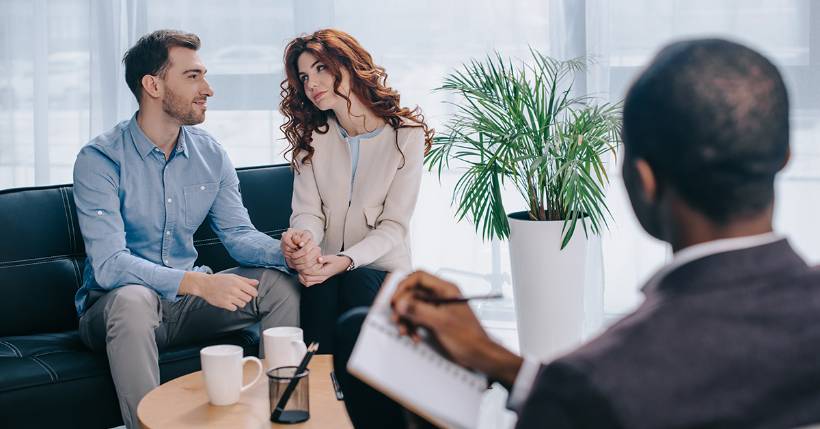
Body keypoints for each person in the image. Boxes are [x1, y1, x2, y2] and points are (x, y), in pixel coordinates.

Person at [335, 38, 820, 428]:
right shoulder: (597, 381)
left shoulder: (598, 380)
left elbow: (595, 397)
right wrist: (500, 362)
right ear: (782, 159)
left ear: (644, 180)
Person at [72, 30, 300, 429]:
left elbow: (238, 235)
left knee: (277, 283)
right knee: (132, 301)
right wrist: (196, 283)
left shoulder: (210, 153)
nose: (208, 89)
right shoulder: (100, 159)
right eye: (193, 76)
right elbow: (109, 265)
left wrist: (287, 254)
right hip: (114, 311)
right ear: (153, 85)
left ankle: (282, 413)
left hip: (185, 309)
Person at [278, 29, 433, 352]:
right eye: (304, 77)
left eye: (321, 68)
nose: (312, 84)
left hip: (381, 270)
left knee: (355, 281)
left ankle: (367, 396)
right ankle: (319, 392)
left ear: (350, 64)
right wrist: (303, 239)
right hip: (326, 268)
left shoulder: (406, 137)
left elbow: (394, 226)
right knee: (319, 288)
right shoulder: (313, 137)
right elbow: (307, 212)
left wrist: (347, 259)